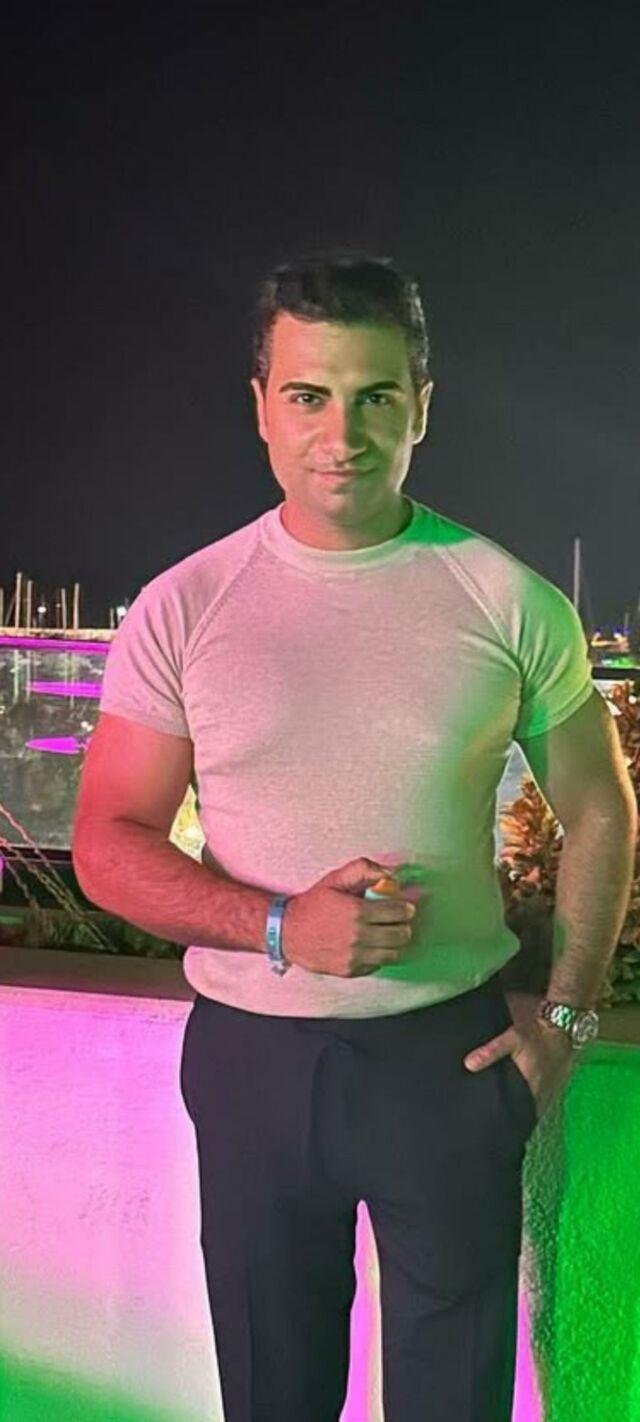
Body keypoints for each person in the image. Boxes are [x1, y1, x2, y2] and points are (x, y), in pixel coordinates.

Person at [72, 249, 637, 1422]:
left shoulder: (505, 597)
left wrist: (568, 1021)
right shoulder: (188, 604)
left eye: (376, 396)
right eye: (308, 396)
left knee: (454, 1399)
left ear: (420, 407)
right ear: (261, 407)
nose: (342, 434)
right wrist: (280, 925)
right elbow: (109, 843)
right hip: (251, 1063)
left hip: (449, 1062)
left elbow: (597, 806)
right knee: (271, 1393)